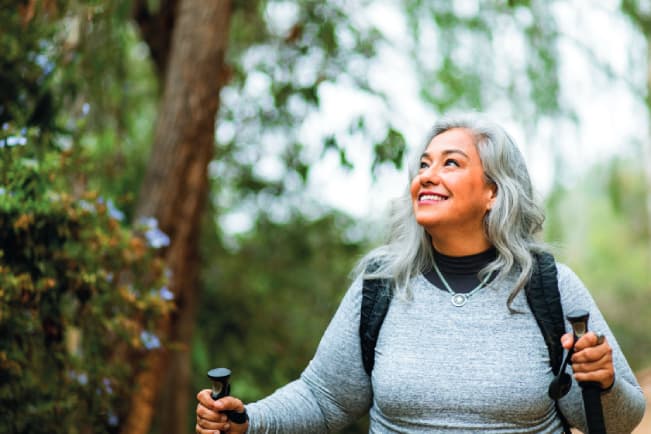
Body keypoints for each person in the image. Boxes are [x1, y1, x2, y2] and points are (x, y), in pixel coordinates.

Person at [196, 113, 646, 433]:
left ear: (493, 191)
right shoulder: (382, 284)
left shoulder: (548, 285)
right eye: (424, 165)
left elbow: (620, 420)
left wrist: (601, 381)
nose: (427, 176)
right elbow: (325, 398)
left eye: (450, 163)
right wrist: (248, 421)